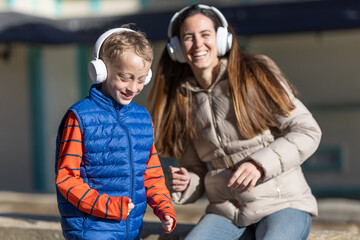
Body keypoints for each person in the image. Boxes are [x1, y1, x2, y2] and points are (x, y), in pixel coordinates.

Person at [147, 4, 321, 240]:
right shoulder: (182, 101)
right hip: (227, 213)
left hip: (283, 203)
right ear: (176, 48)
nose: (198, 44)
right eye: (188, 37)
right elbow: (196, 169)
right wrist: (187, 181)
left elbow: (307, 131)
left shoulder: (255, 74)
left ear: (221, 39)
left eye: (205, 34)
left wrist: (258, 165)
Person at [55, 26, 176, 240]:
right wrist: (108, 206)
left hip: (131, 230)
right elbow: (67, 179)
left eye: (140, 79)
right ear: (100, 70)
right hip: (91, 231)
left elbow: (152, 174)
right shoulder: (80, 117)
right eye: (125, 77)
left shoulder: (142, 118)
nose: (133, 87)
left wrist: (164, 207)